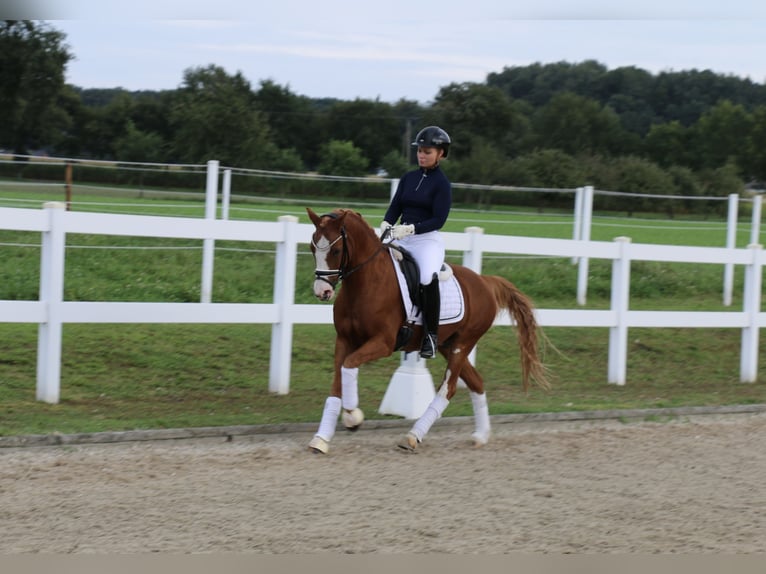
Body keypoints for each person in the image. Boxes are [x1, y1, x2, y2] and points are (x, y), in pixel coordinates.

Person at [380, 125, 452, 359]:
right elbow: (396, 206)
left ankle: (431, 335)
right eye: (420, 150)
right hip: (400, 236)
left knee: (425, 277)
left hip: (425, 240)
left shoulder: (442, 184)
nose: (422, 155)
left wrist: (413, 228)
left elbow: (439, 219)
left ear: (440, 153)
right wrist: (386, 223)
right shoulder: (408, 178)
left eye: (427, 151)